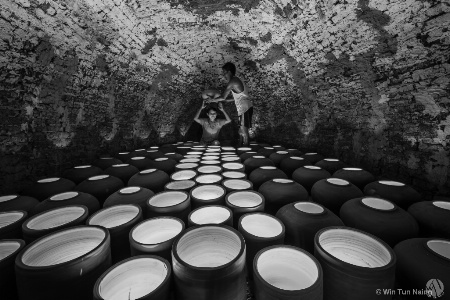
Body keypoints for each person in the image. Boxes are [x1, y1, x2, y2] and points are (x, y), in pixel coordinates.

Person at [206, 62, 253, 146]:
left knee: (243, 130)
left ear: (229, 72)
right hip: (245, 106)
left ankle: (246, 152)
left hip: (244, 107)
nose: (223, 75)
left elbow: (223, 97)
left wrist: (212, 100)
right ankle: (242, 148)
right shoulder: (236, 80)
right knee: (241, 130)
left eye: (224, 72)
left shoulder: (233, 81)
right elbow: (240, 96)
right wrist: (229, 100)